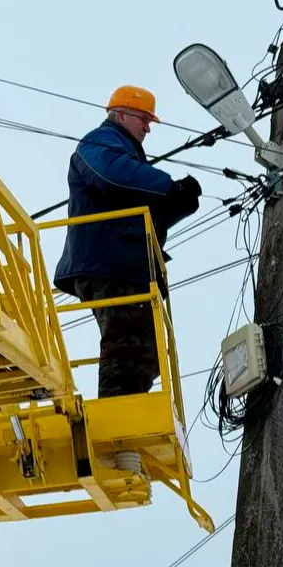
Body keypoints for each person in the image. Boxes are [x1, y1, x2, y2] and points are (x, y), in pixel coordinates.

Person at [53, 85, 202, 397]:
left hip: (122, 264)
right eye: (143, 119)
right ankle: (118, 417)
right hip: (110, 263)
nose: (148, 127)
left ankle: (128, 410)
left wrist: (177, 202)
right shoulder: (101, 141)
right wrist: (166, 186)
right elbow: (110, 174)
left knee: (145, 348)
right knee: (127, 340)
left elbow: (140, 210)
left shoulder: (128, 158)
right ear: (120, 115)